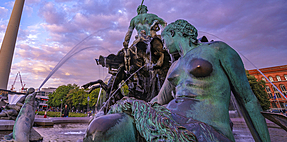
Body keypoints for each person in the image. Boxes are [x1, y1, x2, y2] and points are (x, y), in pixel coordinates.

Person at [84, 20, 271, 142]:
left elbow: (247, 100)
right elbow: (158, 100)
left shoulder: (217, 50)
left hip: (206, 127)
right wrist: (136, 110)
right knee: (99, 131)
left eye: (164, 39)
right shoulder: (175, 66)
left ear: (174, 33)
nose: (163, 45)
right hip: (166, 120)